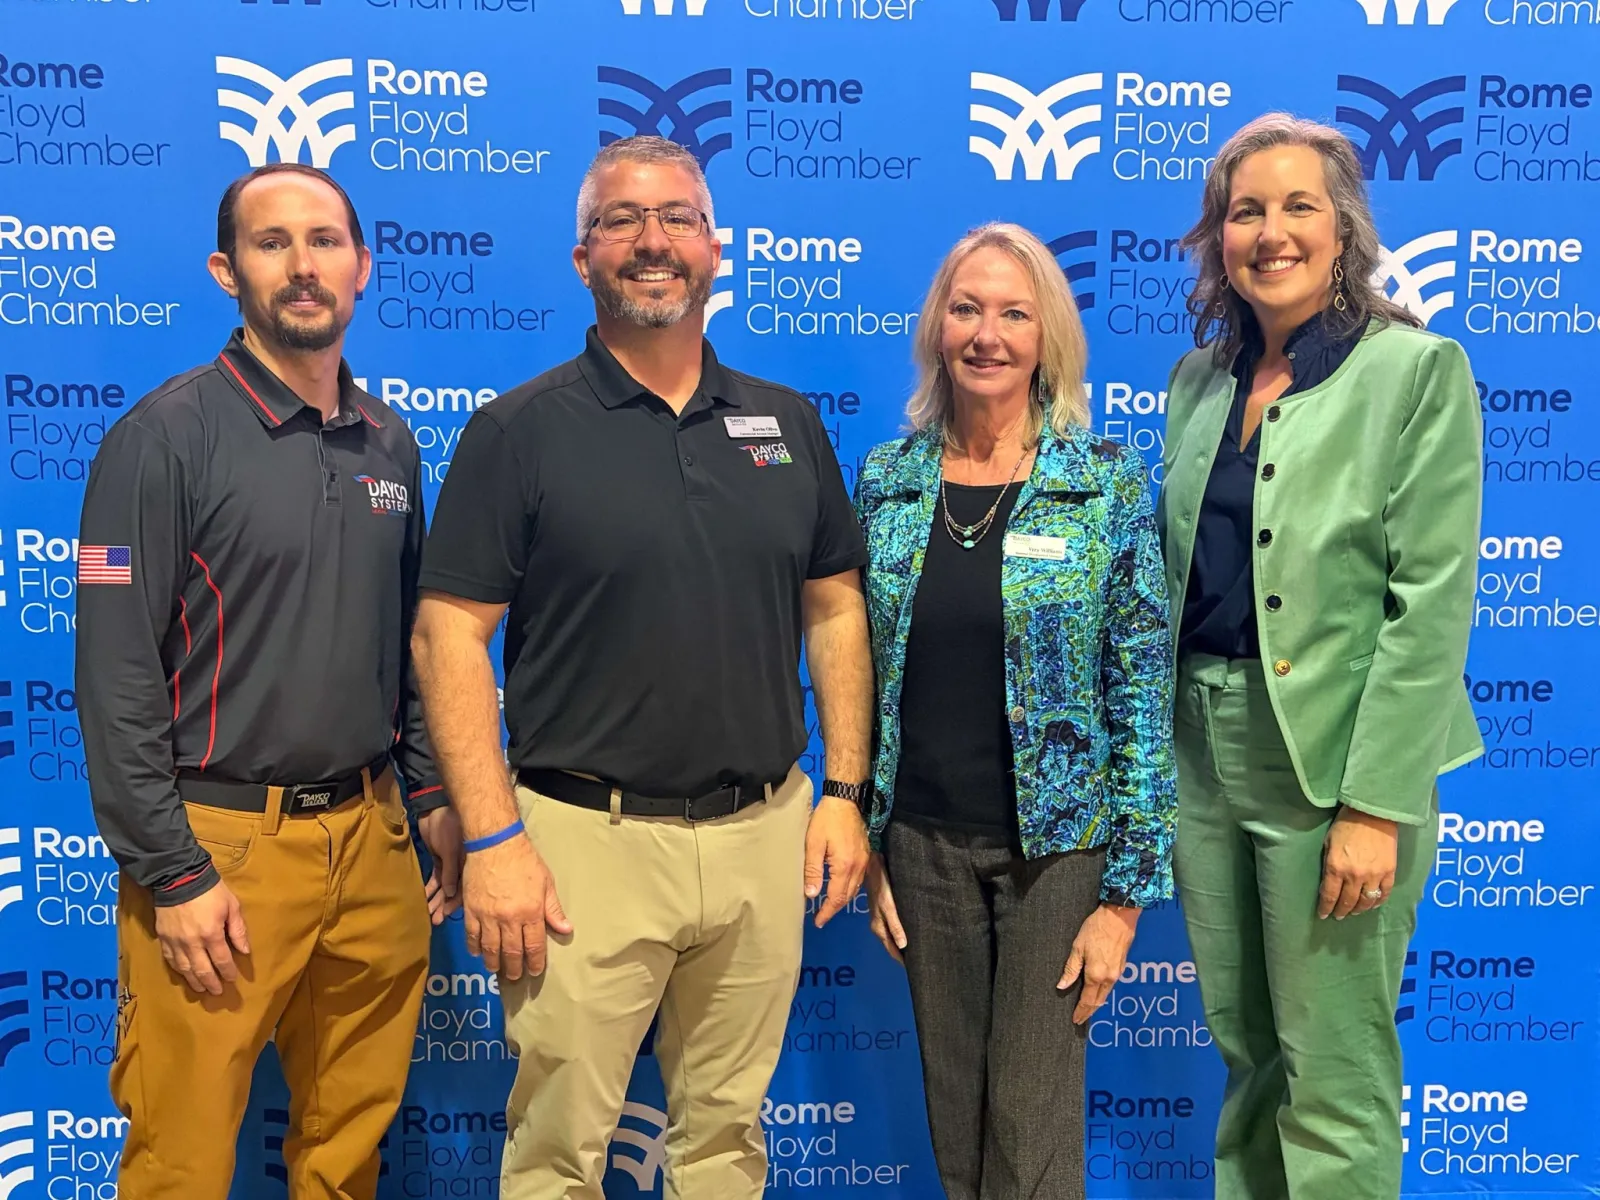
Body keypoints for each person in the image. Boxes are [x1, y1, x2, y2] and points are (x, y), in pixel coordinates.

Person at [410, 134, 873, 1200]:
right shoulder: (516, 432)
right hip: (579, 849)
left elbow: (836, 608)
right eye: (621, 220)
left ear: (717, 250)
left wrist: (843, 792)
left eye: (675, 219)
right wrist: (492, 839)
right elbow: (446, 639)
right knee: (558, 1154)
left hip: (764, 837)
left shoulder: (786, 424)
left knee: (724, 1144)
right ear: (583, 259)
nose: (651, 241)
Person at [75, 162, 464, 1198]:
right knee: (183, 1164)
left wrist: (430, 801)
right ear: (225, 270)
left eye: (325, 241)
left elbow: (413, 649)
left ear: (363, 268)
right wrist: (175, 871)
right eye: (272, 242)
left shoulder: (390, 444)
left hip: (374, 847)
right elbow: (114, 680)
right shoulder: (164, 439)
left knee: (344, 1161)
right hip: (221, 853)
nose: (303, 266)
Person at [1158, 113, 1484, 1198]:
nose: (1271, 231)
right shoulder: (1196, 384)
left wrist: (1375, 805)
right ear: (1218, 237)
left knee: (1333, 1075)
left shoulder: (1416, 371)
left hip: (1335, 767)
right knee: (1248, 1059)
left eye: (1299, 206)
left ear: (1343, 230)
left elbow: (1430, 601)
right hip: (1204, 754)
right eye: (1245, 210)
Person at [855, 223, 1177, 1200]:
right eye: (965, 309)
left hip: (1060, 856)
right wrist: (868, 837)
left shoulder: (1104, 483)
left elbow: (1141, 685)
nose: (985, 333)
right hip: (920, 847)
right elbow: (860, 674)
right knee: (957, 1125)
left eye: (1012, 312)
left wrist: (1123, 898)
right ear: (935, 330)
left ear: (1047, 340)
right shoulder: (888, 482)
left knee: (1028, 1132)